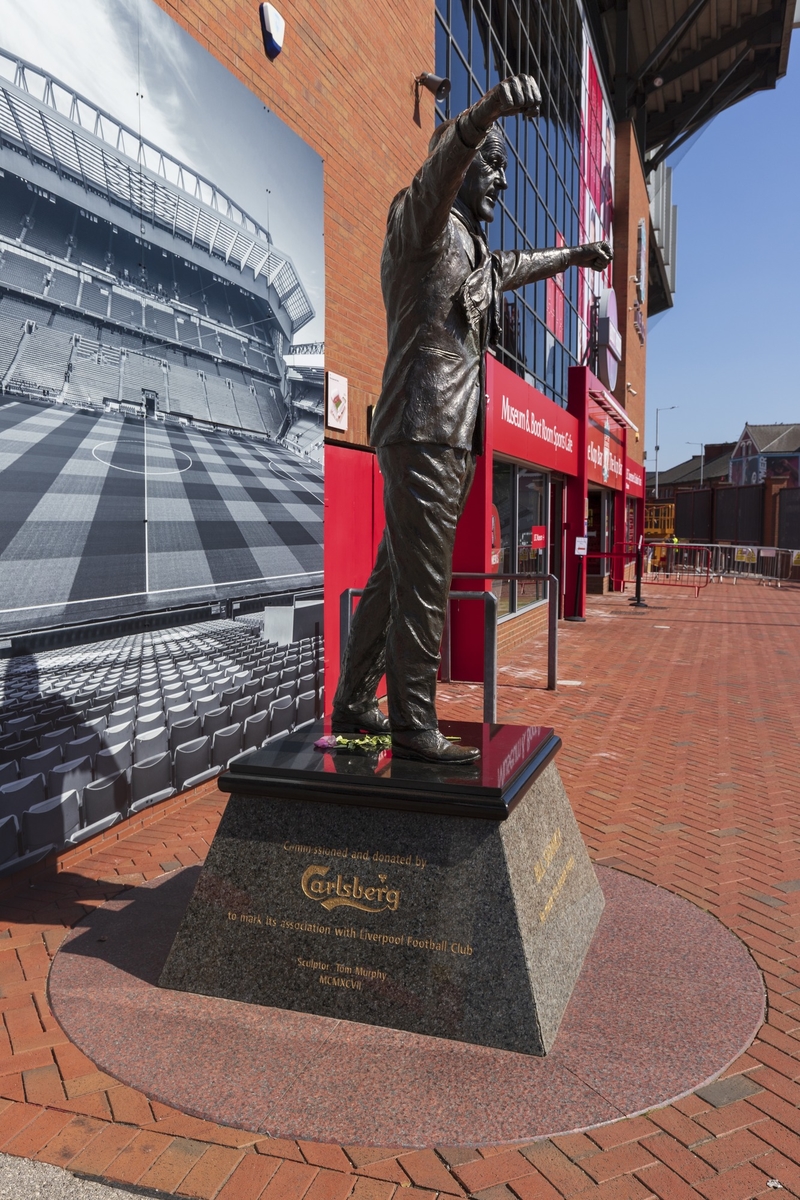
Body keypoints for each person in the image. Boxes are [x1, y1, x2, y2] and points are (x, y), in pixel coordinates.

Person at [332, 75, 612, 762]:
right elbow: (440, 169)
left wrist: (573, 256)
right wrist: (485, 111)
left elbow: (512, 266)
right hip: (422, 425)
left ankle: (353, 701)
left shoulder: (471, 248)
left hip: (445, 432)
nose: (503, 183)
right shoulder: (420, 220)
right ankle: (414, 723)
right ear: (459, 166)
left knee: (395, 575)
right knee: (423, 583)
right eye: (494, 167)